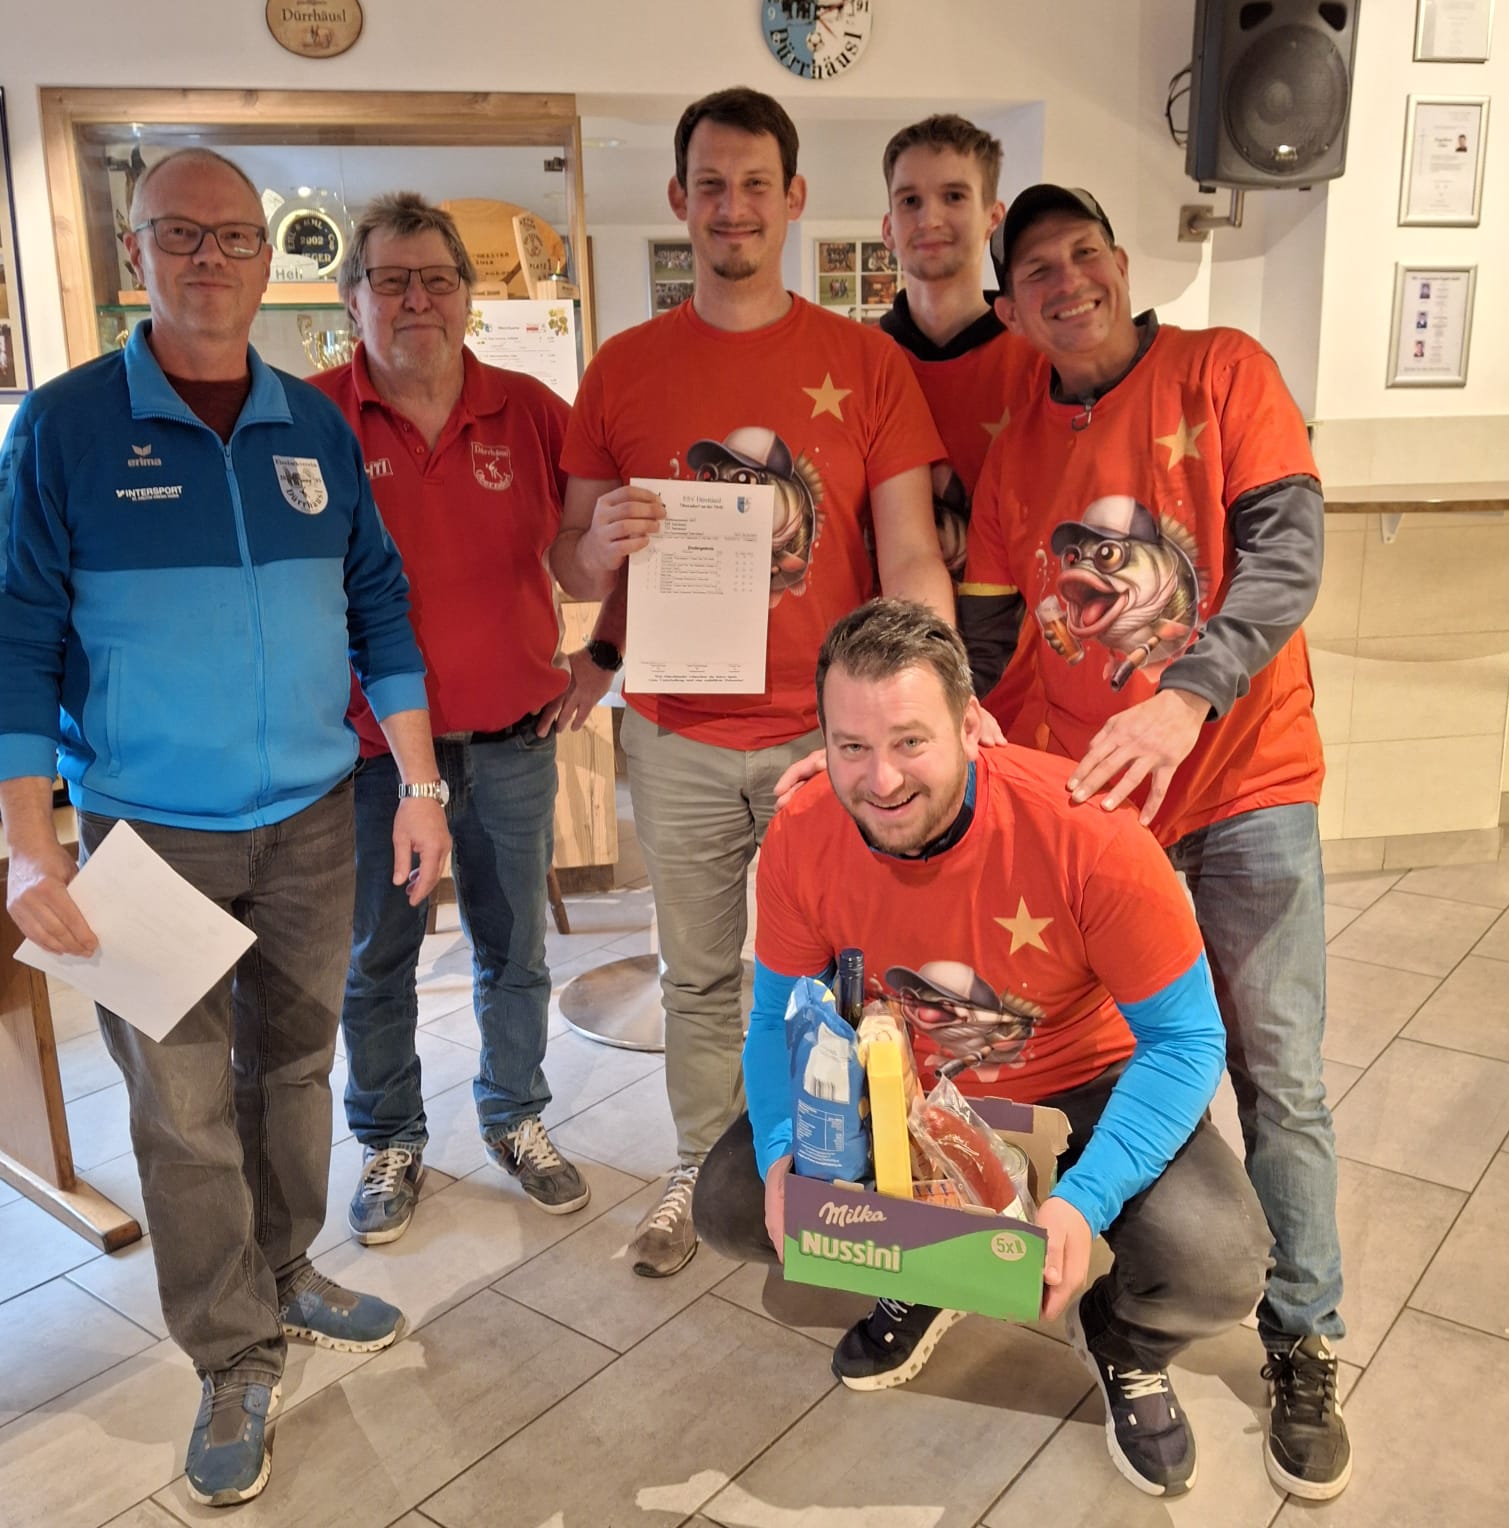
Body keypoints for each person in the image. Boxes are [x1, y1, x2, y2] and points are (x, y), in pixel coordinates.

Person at [0, 148, 451, 1507]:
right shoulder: (65, 427)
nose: (208, 258)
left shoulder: (312, 424)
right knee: (184, 1109)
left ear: (269, 260)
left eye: (233, 237)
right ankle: (231, 1350)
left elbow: (378, 604)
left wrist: (418, 783)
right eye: (178, 235)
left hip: (314, 818)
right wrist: (29, 842)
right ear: (135, 253)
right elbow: (17, 642)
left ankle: (287, 1268)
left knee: (297, 1068)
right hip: (149, 837)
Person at [693, 599, 1270, 1499]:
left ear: (972, 726)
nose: (880, 779)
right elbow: (775, 1018)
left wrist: (1081, 1202)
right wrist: (777, 1158)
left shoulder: (1091, 835)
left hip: (1081, 1082)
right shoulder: (804, 830)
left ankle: (1123, 1337)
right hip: (903, 1094)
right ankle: (930, 1271)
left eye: (910, 742)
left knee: (1220, 1262)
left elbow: (1186, 1039)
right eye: (851, 746)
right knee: (732, 1203)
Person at [959, 183, 1349, 1500]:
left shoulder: (1223, 370)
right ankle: (1126, 1305)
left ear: (1121, 264)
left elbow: (1284, 558)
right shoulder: (1016, 448)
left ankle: (1302, 1336)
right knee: (1099, 1062)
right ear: (1010, 307)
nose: (1067, 281)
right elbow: (996, 645)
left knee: (1277, 1070)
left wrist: (1187, 696)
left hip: (1246, 784)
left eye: (1084, 254)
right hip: (1098, 803)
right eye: (1038, 270)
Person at [552, 86, 952, 1278]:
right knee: (699, 975)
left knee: (841, 977)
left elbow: (910, 553)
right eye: (711, 185)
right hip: (675, 735)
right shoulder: (623, 368)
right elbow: (569, 559)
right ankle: (700, 1166)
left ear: (794, 199)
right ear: (679, 199)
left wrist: (940, 702)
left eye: (755, 185)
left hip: (824, 743)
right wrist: (599, 544)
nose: (733, 206)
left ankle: (844, 1178)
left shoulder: (865, 363)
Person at [311, 193, 590, 1247]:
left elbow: (580, 553)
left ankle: (514, 1116)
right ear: (353, 299)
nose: (417, 299)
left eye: (437, 279)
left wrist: (604, 640)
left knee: (513, 951)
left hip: (514, 743)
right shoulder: (310, 418)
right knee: (375, 959)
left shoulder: (533, 411)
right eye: (392, 280)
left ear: (468, 297)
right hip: (369, 760)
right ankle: (389, 1136)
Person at [875, 113, 1037, 731]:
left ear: (993, 215)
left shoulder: (1040, 359)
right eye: (910, 200)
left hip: (1029, 684)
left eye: (953, 196)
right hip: (894, 685)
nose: (930, 218)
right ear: (888, 227)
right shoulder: (859, 364)